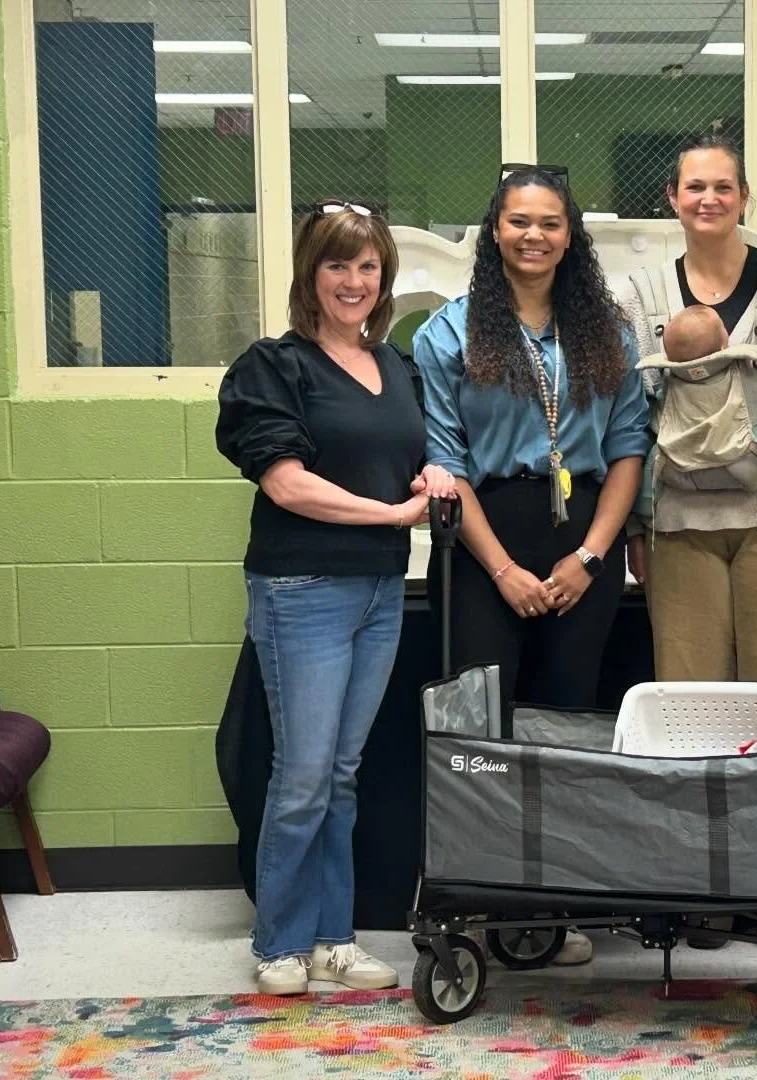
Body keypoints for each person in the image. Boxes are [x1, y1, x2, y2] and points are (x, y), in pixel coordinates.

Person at [215, 200, 458, 995]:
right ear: (309, 275)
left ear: (383, 277)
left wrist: (430, 477)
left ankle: (333, 940)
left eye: (366, 266)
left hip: (379, 589)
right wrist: (390, 513)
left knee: (342, 773)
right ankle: (279, 944)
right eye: (335, 265)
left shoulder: (396, 367)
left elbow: (416, 454)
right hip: (303, 588)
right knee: (303, 776)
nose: (352, 281)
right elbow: (286, 483)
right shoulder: (274, 366)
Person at [414, 165, 650, 966]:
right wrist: (505, 570)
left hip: (585, 538)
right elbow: (445, 460)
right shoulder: (446, 334)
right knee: (482, 726)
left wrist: (590, 556)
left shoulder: (607, 334)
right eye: (518, 221)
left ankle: (560, 907)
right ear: (495, 232)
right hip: (487, 537)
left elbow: (628, 453)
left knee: (570, 719)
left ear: (569, 235)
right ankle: (485, 901)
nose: (534, 236)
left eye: (550, 222)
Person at [617, 132, 757, 684]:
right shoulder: (639, 298)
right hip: (677, 525)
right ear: (672, 197)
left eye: (723, 187)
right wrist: (633, 527)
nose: (708, 199)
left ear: (745, 197)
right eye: (695, 187)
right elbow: (624, 423)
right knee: (689, 699)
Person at [635, 304, 757, 526]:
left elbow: (660, 412)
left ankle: (644, 503)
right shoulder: (739, 376)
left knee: (654, 454)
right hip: (741, 451)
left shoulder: (671, 382)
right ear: (724, 345)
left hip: (681, 456)